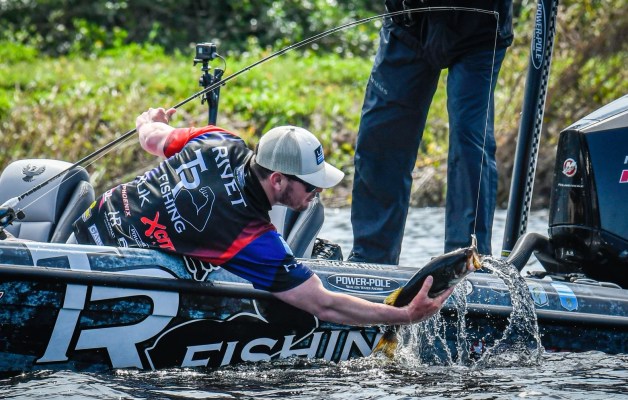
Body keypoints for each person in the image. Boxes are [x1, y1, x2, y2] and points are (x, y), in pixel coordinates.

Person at [71, 107, 454, 326]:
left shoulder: (217, 139)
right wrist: (405, 315)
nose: (317, 194)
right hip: (106, 274)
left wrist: (147, 120)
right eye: (311, 186)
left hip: (84, 231)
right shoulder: (249, 236)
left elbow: (153, 138)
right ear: (277, 180)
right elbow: (323, 304)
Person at [348, 0, 514, 264]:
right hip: (408, 22)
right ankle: (371, 260)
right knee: (380, 139)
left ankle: (466, 260)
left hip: (479, 26)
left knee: (469, 142)